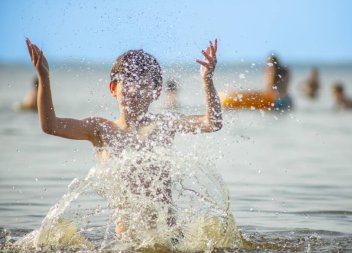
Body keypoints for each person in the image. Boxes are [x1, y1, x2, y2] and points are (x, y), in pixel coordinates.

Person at [25, 38, 221, 238]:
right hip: (124, 242)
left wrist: (207, 80)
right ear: (113, 88)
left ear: (156, 92)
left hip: (168, 239)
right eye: (128, 82)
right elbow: (51, 126)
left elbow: (212, 123)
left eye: (144, 84)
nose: (135, 91)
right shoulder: (100, 129)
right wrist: (44, 77)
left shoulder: (163, 124)